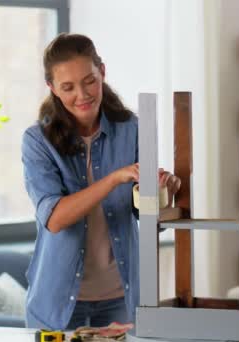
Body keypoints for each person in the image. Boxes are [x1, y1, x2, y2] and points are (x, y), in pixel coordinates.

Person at [22, 33, 181, 331]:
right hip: (57, 303)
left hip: (121, 298)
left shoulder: (132, 129)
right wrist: (113, 179)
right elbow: (55, 219)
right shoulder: (37, 141)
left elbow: (146, 219)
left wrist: (162, 193)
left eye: (89, 81)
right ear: (52, 88)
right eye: (67, 87)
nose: (81, 95)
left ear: (102, 72)